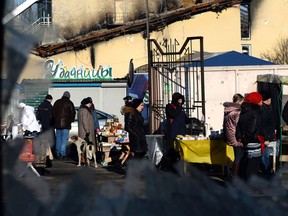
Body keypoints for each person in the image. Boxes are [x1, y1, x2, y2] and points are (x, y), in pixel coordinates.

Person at [236, 92, 264, 181]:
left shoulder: (243, 112)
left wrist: (242, 138)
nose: (261, 102)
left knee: (246, 163)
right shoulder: (255, 113)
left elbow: (238, 127)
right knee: (253, 165)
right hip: (253, 141)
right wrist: (246, 139)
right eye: (260, 100)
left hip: (246, 140)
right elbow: (252, 129)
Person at [161, 92, 187, 172]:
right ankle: (166, 166)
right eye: (179, 100)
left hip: (180, 132)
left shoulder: (181, 109)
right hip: (171, 132)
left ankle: (176, 167)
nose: (180, 102)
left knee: (178, 151)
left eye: (181, 100)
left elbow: (185, 119)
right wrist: (179, 107)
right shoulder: (169, 107)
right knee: (170, 149)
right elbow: (173, 115)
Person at [223, 93, 244, 177]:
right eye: (242, 101)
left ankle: (234, 175)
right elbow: (239, 125)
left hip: (230, 136)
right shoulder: (237, 111)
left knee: (237, 157)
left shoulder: (228, 110)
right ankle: (235, 176)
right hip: (236, 137)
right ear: (239, 101)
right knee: (239, 158)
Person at [52, 91, 76, 160]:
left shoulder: (57, 102)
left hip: (57, 124)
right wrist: (71, 120)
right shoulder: (70, 103)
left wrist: (55, 120)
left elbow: (53, 113)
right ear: (69, 96)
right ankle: (63, 153)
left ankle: (57, 153)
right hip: (66, 124)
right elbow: (73, 113)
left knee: (58, 139)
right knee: (64, 140)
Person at [259, 90, 276, 176]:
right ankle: (266, 173)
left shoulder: (265, 108)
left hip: (265, 136)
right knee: (264, 156)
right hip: (264, 137)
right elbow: (263, 126)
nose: (270, 101)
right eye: (268, 99)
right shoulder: (264, 110)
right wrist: (266, 138)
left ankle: (266, 172)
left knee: (265, 155)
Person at [37, 94, 55, 167]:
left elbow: (38, 115)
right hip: (49, 125)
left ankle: (44, 153)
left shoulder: (41, 105)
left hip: (43, 125)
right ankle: (49, 154)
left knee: (43, 141)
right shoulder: (50, 106)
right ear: (50, 99)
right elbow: (52, 115)